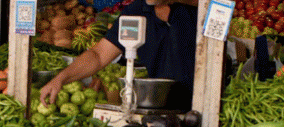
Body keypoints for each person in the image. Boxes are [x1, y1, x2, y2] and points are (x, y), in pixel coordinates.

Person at [39, 0, 198, 108]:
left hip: (200, 107)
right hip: (159, 107)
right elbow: (98, 55)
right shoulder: (136, 11)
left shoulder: (200, 11)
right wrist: (60, 79)